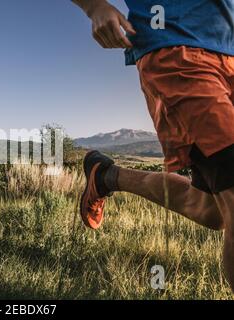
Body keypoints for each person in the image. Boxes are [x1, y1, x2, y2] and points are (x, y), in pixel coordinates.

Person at [72, 0, 234, 292]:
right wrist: (94, 6)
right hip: (178, 49)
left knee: (213, 210)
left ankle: (106, 175)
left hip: (229, 50)